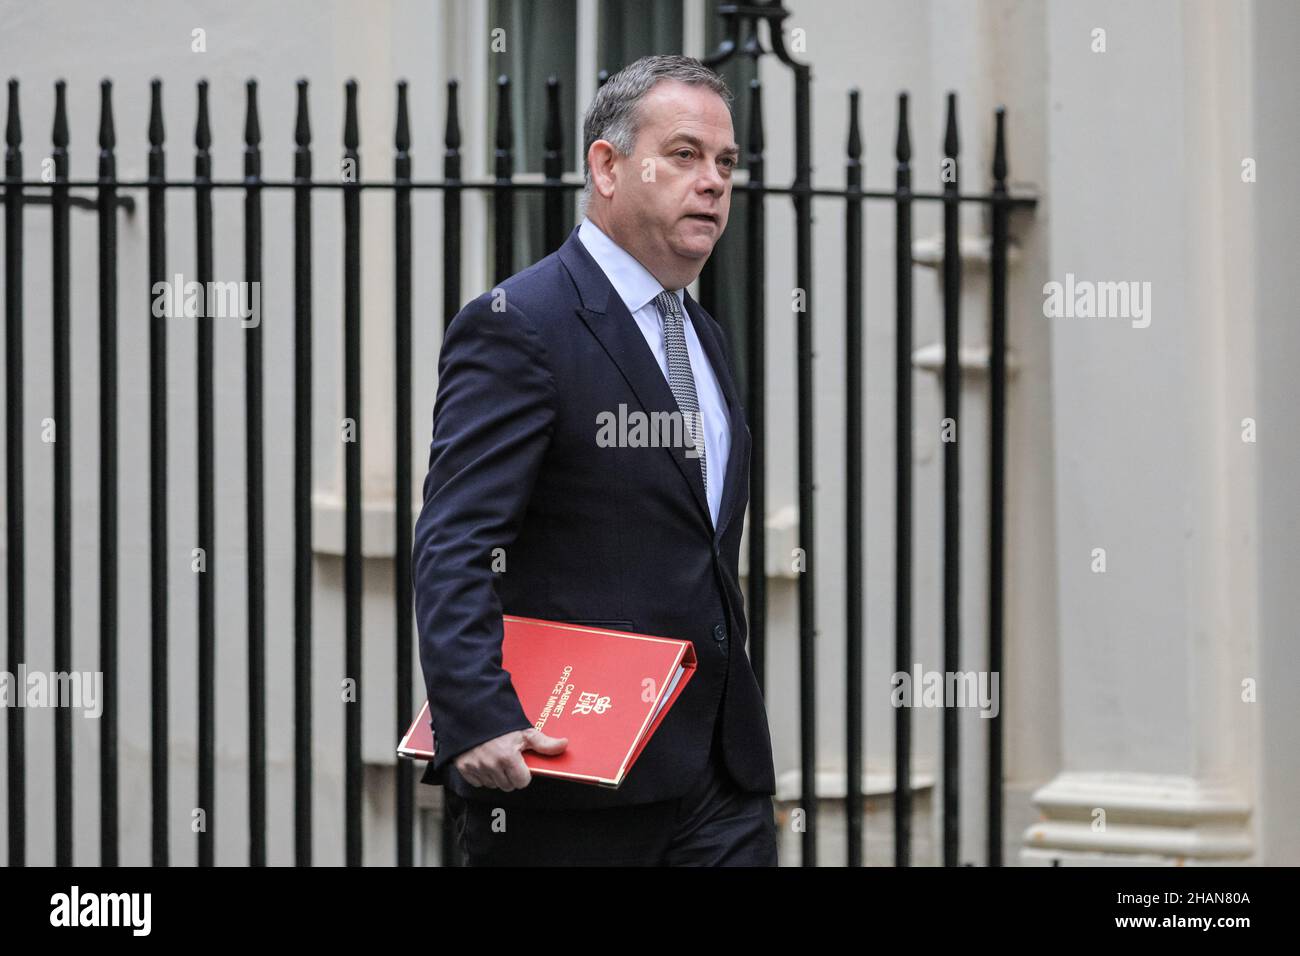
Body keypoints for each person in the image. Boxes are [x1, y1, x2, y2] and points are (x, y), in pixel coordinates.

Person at [413, 54, 777, 866]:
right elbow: (456, 539)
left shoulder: (702, 335)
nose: (714, 181)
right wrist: (476, 711)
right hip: (572, 782)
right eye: (684, 155)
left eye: (726, 163)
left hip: (721, 777)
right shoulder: (519, 324)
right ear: (607, 167)